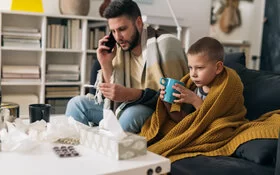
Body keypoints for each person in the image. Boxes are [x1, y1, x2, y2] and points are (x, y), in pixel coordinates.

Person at [140, 36, 280, 163]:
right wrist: (167, 103)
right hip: (197, 128)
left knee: (221, 130)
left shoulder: (229, 83)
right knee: (164, 131)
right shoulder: (191, 84)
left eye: (199, 68)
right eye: (190, 68)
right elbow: (183, 120)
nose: (193, 74)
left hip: (224, 126)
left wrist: (195, 100)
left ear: (218, 67)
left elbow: (220, 120)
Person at [65, 0, 188, 133]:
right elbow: (110, 100)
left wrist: (133, 95)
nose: (118, 37)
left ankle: (112, 151)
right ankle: (79, 151)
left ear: (139, 23)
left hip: (155, 111)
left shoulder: (166, 45)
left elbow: (176, 102)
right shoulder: (118, 49)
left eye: (122, 29)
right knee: (76, 104)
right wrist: (105, 63)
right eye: (113, 31)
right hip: (122, 106)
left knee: (131, 114)